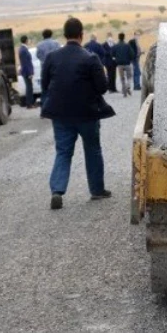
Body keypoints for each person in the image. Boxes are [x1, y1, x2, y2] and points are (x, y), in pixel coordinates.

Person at [41, 17, 114, 209]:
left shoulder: (52, 57)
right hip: (87, 114)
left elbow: (45, 85)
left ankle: (57, 191)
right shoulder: (90, 58)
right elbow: (103, 87)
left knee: (63, 152)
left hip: (61, 115)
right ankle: (97, 190)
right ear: (81, 35)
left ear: (65, 35)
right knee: (92, 149)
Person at [35, 29, 61, 116]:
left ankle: (44, 111)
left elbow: (38, 55)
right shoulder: (56, 43)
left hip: (45, 69)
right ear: (51, 34)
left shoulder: (39, 45)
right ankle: (57, 109)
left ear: (43, 35)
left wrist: (44, 61)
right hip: (56, 69)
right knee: (57, 89)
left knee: (45, 90)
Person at [112, 33, 134, 97]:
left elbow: (112, 54)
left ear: (118, 37)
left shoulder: (115, 46)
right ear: (124, 37)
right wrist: (130, 59)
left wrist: (116, 59)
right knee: (129, 77)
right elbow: (132, 54)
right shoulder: (127, 45)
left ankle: (124, 93)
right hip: (127, 64)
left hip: (119, 65)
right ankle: (128, 86)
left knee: (122, 79)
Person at [17, 35, 36, 108]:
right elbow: (25, 63)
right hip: (26, 72)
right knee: (29, 88)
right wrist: (29, 73)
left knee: (29, 87)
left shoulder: (23, 49)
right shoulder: (23, 50)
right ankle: (29, 104)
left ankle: (30, 103)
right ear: (26, 40)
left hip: (26, 71)